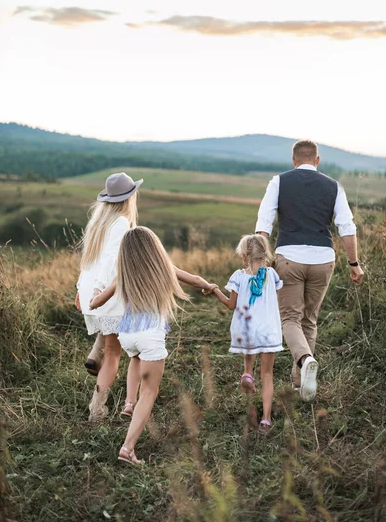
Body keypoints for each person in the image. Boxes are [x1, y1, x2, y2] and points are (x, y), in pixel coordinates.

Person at [89, 226, 217, 464]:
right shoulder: (163, 266)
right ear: (154, 248)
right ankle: (128, 448)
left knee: (135, 359)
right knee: (150, 391)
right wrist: (209, 286)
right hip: (150, 334)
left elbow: (98, 301)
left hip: (128, 334)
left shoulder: (123, 272)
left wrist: (93, 298)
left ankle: (129, 403)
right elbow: (195, 280)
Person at [256, 140, 364, 402]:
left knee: (290, 319)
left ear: (294, 160)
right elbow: (347, 227)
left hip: (289, 257)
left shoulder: (279, 181)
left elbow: (263, 224)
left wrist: (259, 262)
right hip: (323, 260)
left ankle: (305, 360)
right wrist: (354, 263)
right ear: (318, 160)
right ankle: (300, 385)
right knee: (309, 320)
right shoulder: (333, 186)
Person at [75, 172, 143, 422]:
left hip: (90, 289)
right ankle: (97, 410)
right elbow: (110, 261)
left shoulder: (98, 219)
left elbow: (88, 260)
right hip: (104, 292)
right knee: (114, 352)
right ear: (129, 198)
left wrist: (80, 288)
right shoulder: (122, 223)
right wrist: (99, 291)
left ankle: (95, 354)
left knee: (109, 331)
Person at [212, 234, 283, 433]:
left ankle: (247, 373)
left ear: (244, 257)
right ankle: (266, 420)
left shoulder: (238, 277)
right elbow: (272, 299)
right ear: (265, 255)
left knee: (250, 347)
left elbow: (231, 305)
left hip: (247, 330)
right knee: (267, 374)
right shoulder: (272, 275)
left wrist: (216, 290)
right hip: (268, 331)